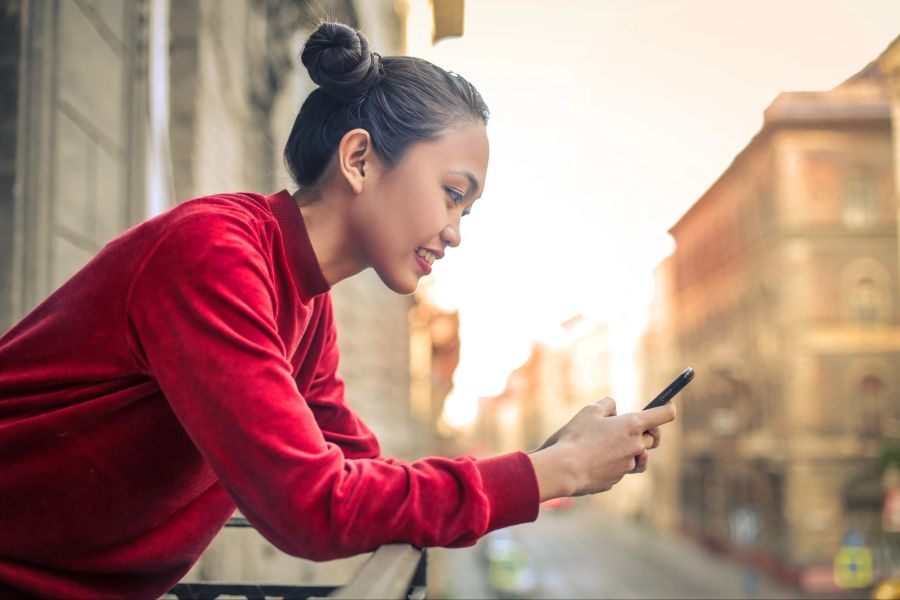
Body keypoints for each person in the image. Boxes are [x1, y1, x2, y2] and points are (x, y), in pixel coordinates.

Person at [0, 22, 676, 598]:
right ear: (358, 158)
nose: (456, 231)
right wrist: (549, 476)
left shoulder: (304, 304)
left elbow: (365, 481)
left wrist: (541, 458)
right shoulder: (215, 255)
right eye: (450, 193)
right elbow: (311, 506)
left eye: (467, 210)